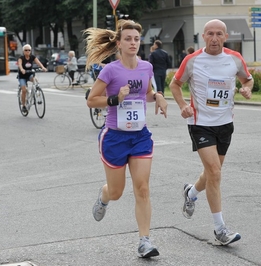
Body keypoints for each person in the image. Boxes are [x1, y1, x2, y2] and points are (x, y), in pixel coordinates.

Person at [85, 19, 168, 258]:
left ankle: (145, 241)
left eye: (136, 39)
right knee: (117, 191)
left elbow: (148, 94)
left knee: (142, 188)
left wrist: (159, 97)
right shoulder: (110, 70)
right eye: (128, 39)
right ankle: (104, 196)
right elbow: (92, 100)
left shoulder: (146, 67)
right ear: (119, 44)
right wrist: (114, 100)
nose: (133, 43)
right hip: (114, 137)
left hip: (140, 136)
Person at [169, 19, 253, 246]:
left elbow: (248, 78)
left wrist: (246, 88)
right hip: (200, 123)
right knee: (215, 173)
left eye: (218, 34)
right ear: (203, 36)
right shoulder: (192, 60)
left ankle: (191, 193)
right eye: (209, 34)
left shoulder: (234, 58)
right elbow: (174, 84)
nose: (214, 38)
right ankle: (220, 230)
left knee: (212, 172)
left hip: (225, 124)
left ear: (225, 36)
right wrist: (183, 106)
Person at [18, 44, 47, 114]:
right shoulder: (21, 58)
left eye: (29, 50)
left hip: (30, 74)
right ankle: (24, 106)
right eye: (26, 50)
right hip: (22, 76)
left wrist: (43, 67)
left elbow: (38, 62)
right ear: (23, 51)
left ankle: (37, 92)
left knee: (35, 80)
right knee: (24, 90)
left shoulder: (32, 57)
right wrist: (22, 69)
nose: (27, 51)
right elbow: (20, 65)